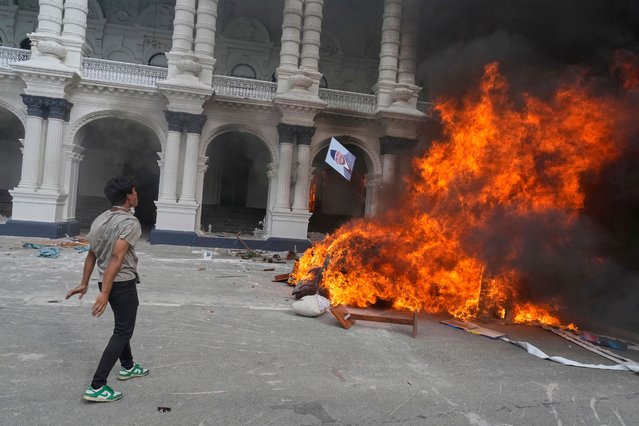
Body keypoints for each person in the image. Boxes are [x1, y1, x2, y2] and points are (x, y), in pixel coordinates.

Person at [65, 176, 149, 402]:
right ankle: (97, 385)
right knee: (123, 331)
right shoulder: (130, 223)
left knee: (122, 326)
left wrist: (86, 283)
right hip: (121, 283)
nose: (137, 195)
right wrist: (103, 294)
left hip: (107, 281)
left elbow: (92, 253)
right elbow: (116, 257)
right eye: (135, 192)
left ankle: (128, 366)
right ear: (128, 196)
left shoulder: (101, 219)